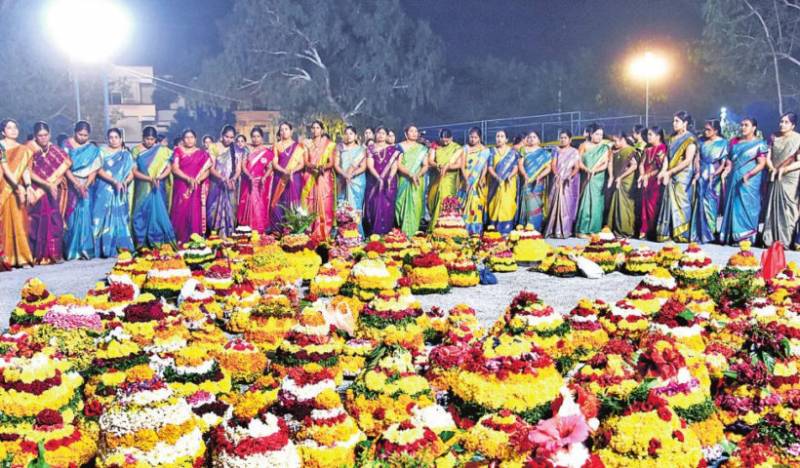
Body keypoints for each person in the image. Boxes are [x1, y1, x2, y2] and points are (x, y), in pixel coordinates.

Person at [719, 118, 768, 244]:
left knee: (748, 205)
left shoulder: (759, 144)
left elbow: (762, 164)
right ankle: (733, 235)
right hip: (734, 178)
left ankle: (746, 237)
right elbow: (730, 160)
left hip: (750, 181)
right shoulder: (735, 142)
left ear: (754, 128)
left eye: (746, 125)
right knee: (734, 205)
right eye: (742, 125)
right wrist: (727, 169)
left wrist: (749, 174)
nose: (743, 127)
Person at [27, 122, 70, 264]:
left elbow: (63, 169)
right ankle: (38, 255)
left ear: (50, 135)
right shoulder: (30, 149)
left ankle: (54, 254)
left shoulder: (56, 151)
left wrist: (53, 185)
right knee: (37, 222)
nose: (43, 138)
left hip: (53, 190)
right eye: (40, 136)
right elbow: (27, 172)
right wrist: (46, 184)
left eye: (46, 135)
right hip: (37, 189)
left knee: (55, 220)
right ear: (35, 136)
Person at [92, 128, 135, 257]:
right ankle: (102, 249)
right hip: (104, 188)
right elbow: (98, 170)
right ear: (107, 139)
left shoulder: (126, 154)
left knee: (120, 217)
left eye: (116, 137)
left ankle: (120, 247)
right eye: (111, 137)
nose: (113, 140)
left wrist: (125, 183)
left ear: (121, 139)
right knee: (100, 216)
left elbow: (131, 173)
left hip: (120, 190)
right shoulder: (101, 152)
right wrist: (113, 181)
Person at [655, 111, 697, 242]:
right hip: (671, 173)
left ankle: (682, 234)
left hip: (683, 174)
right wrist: (663, 170)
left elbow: (687, 160)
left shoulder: (690, 139)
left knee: (682, 202)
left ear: (685, 123)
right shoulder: (672, 138)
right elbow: (667, 157)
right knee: (669, 201)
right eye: (673, 121)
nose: (674, 123)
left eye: (677, 121)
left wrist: (670, 172)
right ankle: (667, 232)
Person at [63, 120, 102, 260]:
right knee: (72, 216)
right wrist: (76, 183)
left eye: (86, 135)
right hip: (71, 184)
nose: (83, 138)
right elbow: (65, 167)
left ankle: (85, 249)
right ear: (75, 132)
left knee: (85, 214)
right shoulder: (67, 145)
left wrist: (86, 184)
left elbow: (95, 169)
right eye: (80, 134)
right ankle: (72, 250)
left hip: (86, 185)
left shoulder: (92, 149)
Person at [131, 126, 176, 248]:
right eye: (147, 139)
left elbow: (169, 168)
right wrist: (149, 178)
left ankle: (157, 243)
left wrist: (159, 177)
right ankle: (141, 244)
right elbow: (134, 171)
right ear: (143, 138)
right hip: (143, 186)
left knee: (157, 214)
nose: (149, 141)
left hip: (157, 185)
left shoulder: (163, 151)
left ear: (155, 139)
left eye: (152, 139)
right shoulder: (136, 150)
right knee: (140, 214)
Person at [0, 119, 35, 267]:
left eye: (15, 127)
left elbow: (25, 169)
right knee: (5, 221)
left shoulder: (23, 149)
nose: (13, 130)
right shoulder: (1, 146)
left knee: (20, 220)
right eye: (9, 128)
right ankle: (6, 258)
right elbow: (5, 168)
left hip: (18, 187)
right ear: (3, 131)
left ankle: (22, 257)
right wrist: (16, 186)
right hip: (4, 187)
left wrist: (27, 186)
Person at [763, 112, 800, 247]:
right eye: (781, 121)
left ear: (793, 125)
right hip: (774, 174)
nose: (782, 124)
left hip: (790, 177)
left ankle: (785, 240)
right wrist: (772, 168)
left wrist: (784, 170)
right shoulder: (774, 137)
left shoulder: (798, 139)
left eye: (786, 122)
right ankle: (770, 239)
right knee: (772, 206)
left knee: (788, 207)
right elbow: (768, 156)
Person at [689, 119, 729, 243]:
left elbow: (723, 163)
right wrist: (697, 172)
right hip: (702, 174)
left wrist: (715, 174)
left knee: (711, 204)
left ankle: (710, 232)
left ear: (716, 130)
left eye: (708, 130)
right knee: (699, 202)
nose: (706, 132)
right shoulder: (702, 142)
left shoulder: (723, 143)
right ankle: (699, 232)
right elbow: (697, 158)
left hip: (714, 177)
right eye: (705, 129)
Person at [171, 129, 213, 243]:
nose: (189, 140)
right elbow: (175, 168)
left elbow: (207, 170)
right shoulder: (178, 151)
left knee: (195, 212)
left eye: (191, 137)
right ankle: (179, 239)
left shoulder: (202, 153)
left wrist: (198, 180)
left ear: (195, 139)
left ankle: (195, 239)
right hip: (182, 186)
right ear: (183, 139)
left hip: (196, 186)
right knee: (180, 210)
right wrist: (188, 179)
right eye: (186, 137)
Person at [302, 120, 337, 242]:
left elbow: (331, 162)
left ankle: (324, 231)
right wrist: (315, 167)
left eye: (317, 128)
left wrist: (323, 167)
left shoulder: (329, 144)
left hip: (324, 177)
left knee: (324, 203)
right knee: (310, 203)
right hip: (310, 175)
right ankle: (309, 230)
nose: (315, 130)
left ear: (322, 130)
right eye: (313, 128)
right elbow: (306, 162)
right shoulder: (306, 144)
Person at [575, 123, 611, 237]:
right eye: (596, 134)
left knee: (597, 203)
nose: (599, 137)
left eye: (601, 134)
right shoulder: (583, 146)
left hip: (598, 178)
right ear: (590, 134)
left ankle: (594, 230)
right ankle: (581, 230)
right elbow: (578, 161)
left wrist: (595, 170)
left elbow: (605, 163)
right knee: (585, 202)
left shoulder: (605, 147)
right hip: (586, 177)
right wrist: (586, 169)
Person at [269, 121, 306, 229]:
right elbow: (274, 163)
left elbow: (301, 163)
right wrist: (284, 171)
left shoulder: (298, 146)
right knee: (278, 202)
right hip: (280, 177)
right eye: (281, 130)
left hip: (294, 177)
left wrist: (292, 171)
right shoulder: (276, 146)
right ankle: (278, 229)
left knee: (293, 202)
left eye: (286, 129)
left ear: (291, 131)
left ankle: (293, 228)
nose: (283, 132)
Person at [544, 131, 581, 238]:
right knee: (554, 205)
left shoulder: (574, 151)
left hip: (568, 183)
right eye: (561, 137)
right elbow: (553, 164)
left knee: (567, 207)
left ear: (570, 140)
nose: (562, 140)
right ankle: (553, 230)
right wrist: (556, 174)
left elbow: (577, 167)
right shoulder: (556, 150)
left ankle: (565, 231)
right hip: (557, 180)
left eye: (565, 138)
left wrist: (569, 176)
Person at [395, 124, 430, 236]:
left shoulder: (422, 149)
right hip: (403, 180)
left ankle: (412, 235)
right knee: (399, 206)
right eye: (411, 131)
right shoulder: (399, 146)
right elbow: (398, 164)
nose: (414, 133)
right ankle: (400, 235)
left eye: (416, 131)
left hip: (417, 182)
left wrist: (417, 175)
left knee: (415, 206)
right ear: (406, 133)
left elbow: (425, 165)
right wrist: (410, 174)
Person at [363, 127, 400, 235]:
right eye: (378, 133)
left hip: (388, 183)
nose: (381, 135)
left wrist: (389, 178)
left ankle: (386, 234)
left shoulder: (393, 149)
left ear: (387, 135)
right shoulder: (370, 148)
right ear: (375, 135)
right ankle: (373, 234)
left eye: (383, 133)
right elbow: (370, 165)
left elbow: (394, 166)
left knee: (387, 208)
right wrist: (378, 177)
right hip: (374, 182)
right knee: (373, 208)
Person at [237, 126, 274, 233]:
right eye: (253, 136)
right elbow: (243, 165)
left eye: (258, 136)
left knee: (258, 204)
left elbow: (270, 167)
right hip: (248, 181)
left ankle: (258, 228)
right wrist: (248, 176)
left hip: (260, 183)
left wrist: (265, 177)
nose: (255, 139)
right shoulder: (247, 149)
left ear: (262, 138)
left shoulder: (267, 152)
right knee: (248, 203)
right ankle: (247, 227)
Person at [207, 125, 240, 237]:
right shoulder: (214, 147)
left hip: (230, 185)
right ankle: (215, 235)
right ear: (222, 135)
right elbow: (211, 168)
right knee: (213, 210)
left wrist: (234, 179)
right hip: (217, 184)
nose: (229, 139)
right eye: (226, 136)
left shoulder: (236, 150)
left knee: (231, 209)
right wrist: (222, 178)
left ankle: (229, 235)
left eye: (231, 137)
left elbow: (238, 168)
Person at [427, 128, 464, 229]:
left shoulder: (457, 148)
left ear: (452, 138)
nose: (445, 141)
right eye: (443, 139)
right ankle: (435, 225)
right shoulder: (435, 146)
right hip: (437, 177)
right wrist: (438, 165)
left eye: (447, 139)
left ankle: (441, 227)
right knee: (433, 202)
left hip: (450, 179)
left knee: (446, 201)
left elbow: (459, 164)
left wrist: (447, 167)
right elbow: (430, 161)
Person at [457, 127, 491, 235]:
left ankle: (476, 231)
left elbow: (484, 166)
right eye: (471, 137)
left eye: (475, 137)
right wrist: (467, 179)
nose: (473, 139)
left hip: (477, 182)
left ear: (479, 138)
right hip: (465, 179)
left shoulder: (484, 151)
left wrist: (481, 178)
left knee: (476, 205)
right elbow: (462, 166)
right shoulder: (465, 148)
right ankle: (464, 230)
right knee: (463, 205)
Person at [516, 130, 551, 231]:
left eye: (534, 137)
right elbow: (520, 164)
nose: (531, 139)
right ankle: (526, 227)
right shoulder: (523, 150)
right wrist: (525, 175)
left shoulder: (544, 152)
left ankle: (536, 228)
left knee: (536, 204)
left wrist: (540, 176)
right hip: (527, 180)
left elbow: (548, 168)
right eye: (530, 137)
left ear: (539, 140)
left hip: (538, 182)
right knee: (528, 204)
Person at [606, 131, 639, 237]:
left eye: (616, 140)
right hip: (616, 180)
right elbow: (610, 162)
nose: (614, 143)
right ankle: (615, 229)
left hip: (627, 181)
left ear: (623, 139)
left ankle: (626, 230)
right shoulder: (614, 151)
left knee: (625, 205)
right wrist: (611, 176)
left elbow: (634, 166)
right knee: (615, 204)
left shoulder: (630, 150)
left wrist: (621, 177)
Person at [487, 129, 520, 234]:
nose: (499, 139)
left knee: (507, 204)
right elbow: (490, 167)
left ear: (506, 139)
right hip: (495, 183)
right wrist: (496, 177)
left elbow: (515, 167)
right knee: (494, 204)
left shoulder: (513, 153)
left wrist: (510, 176)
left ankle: (506, 228)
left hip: (508, 183)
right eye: (497, 136)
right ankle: (493, 227)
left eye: (502, 136)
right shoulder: (491, 151)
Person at [335, 125, 367, 234]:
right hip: (342, 180)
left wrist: (351, 174)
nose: (348, 136)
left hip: (357, 182)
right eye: (346, 133)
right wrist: (345, 174)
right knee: (342, 207)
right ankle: (343, 234)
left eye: (351, 134)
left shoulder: (361, 150)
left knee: (355, 209)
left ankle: (357, 234)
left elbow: (363, 167)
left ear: (356, 136)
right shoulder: (340, 148)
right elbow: (336, 165)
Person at [638, 127, 667, 239]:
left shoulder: (662, 148)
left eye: (650, 134)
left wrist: (647, 176)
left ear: (658, 136)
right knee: (644, 205)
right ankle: (644, 230)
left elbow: (660, 167)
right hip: (645, 181)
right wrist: (642, 175)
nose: (648, 137)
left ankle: (653, 231)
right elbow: (641, 164)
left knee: (653, 206)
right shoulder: (647, 149)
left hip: (655, 181)